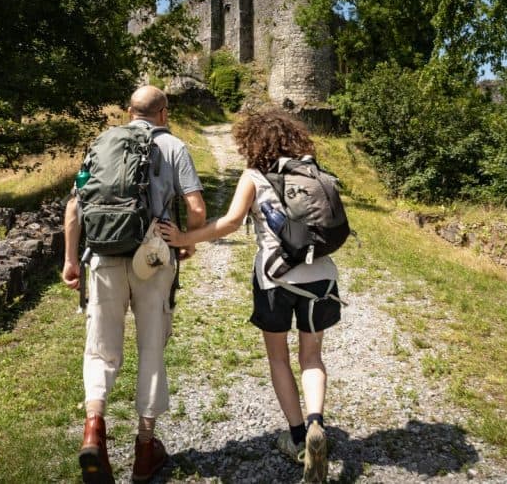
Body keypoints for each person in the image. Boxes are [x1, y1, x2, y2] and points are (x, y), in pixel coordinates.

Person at [158, 108, 342, 484]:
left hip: (276, 280)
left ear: (252, 142)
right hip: (321, 277)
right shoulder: (313, 171)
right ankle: (317, 424)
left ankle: (297, 439)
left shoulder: (254, 176)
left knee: (279, 358)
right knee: (312, 355)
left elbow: (228, 223)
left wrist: (184, 239)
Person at [63, 85, 206, 484]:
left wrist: (71, 260)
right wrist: (187, 241)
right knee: (150, 348)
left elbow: (76, 205)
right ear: (164, 112)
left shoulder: (102, 142)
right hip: (154, 257)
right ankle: (145, 450)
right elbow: (196, 207)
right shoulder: (174, 147)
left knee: (101, 348)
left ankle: (94, 429)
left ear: (129, 112)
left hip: (104, 255)